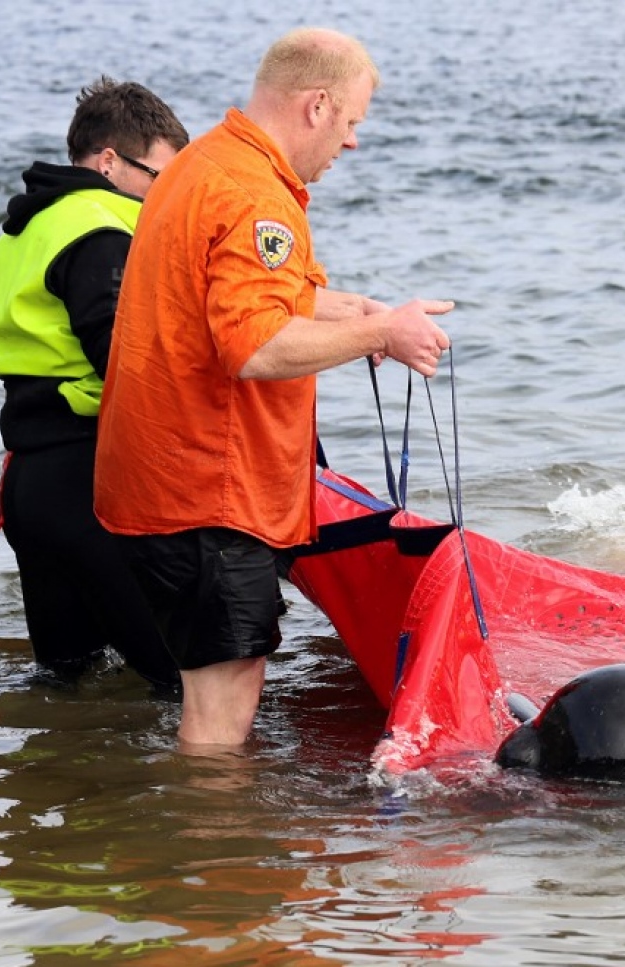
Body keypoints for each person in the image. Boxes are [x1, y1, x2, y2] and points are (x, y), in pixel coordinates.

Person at [94, 28, 453, 749]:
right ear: (317, 106)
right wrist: (380, 338)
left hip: (163, 488)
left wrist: (359, 312)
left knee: (217, 688)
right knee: (223, 705)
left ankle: (198, 841)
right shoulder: (254, 193)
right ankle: (223, 850)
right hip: (207, 496)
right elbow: (255, 345)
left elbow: (248, 293)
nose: (351, 142)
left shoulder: (204, 163)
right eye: (351, 123)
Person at [0, 77, 190, 691]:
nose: (161, 196)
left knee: (69, 686)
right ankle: (210, 787)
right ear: (110, 161)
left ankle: (56, 779)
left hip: (29, 489)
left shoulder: (14, 237)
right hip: (90, 485)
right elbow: (126, 361)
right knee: (190, 683)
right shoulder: (100, 229)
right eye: (159, 177)